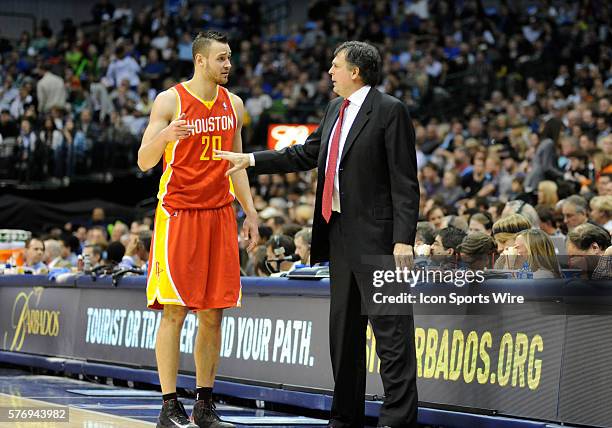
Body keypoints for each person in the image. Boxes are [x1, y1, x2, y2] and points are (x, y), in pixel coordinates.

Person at [217, 41, 419, 428]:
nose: (330, 72)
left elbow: (405, 181)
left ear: (355, 72)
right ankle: (344, 418)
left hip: (379, 239)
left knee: (391, 333)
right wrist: (252, 160)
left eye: (336, 66)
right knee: (343, 336)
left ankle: (397, 420)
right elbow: (306, 154)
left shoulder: (390, 111)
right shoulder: (333, 110)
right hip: (339, 233)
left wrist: (402, 238)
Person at [137, 31, 259, 428]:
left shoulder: (234, 105)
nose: (228, 65)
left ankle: (204, 405)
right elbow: (143, 161)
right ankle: (168, 406)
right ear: (201, 61)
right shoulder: (170, 100)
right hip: (179, 214)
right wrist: (166, 136)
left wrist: (251, 213)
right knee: (174, 312)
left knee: (213, 314)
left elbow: (236, 165)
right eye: (221, 58)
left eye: (229, 58)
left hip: (220, 214)